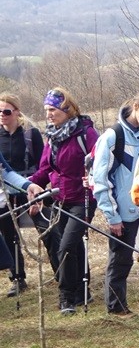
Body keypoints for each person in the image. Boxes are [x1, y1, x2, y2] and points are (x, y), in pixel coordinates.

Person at [91, 88, 139, 317]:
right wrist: (112, 216)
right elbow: (101, 181)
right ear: (136, 107)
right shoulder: (113, 137)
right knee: (121, 260)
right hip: (123, 212)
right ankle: (116, 307)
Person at [29, 88, 98, 315]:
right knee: (72, 245)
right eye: (46, 110)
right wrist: (29, 185)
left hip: (83, 198)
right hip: (60, 198)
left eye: (53, 109)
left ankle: (66, 297)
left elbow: (102, 162)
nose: (49, 114)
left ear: (67, 110)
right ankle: (81, 291)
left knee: (67, 245)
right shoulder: (52, 135)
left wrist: (94, 178)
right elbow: (45, 168)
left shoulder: (85, 133)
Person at [0, 92, 60, 294]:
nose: (2, 115)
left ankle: (61, 273)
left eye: (6, 111)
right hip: (5, 194)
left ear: (16, 112)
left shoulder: (30, 134)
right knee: (9, 235)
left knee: (47, 229)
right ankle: (17, 278)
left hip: (31, 189)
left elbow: (43, 164)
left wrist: (33, 190)